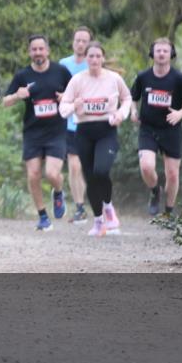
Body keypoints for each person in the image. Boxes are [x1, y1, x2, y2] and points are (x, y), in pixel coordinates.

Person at [59, 41, 131, 236]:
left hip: (106, 130)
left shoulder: (114, 78)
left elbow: (127, 98)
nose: (94, 60)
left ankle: (108, 207)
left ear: (103, 58)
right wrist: (75, 105)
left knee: (101, 170)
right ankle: (98, 221)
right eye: (91, 56)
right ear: (86, 59)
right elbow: (63, 109)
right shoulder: (77, 80)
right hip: (83, 131)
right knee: (90, 178)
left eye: (98, 56)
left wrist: (121, 115)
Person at [2, 35, 72, 231]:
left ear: (47, 51)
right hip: (32, 133)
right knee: (33, 175)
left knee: (51, 173)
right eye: (34, 49)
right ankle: (42, 216)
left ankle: (58, 191)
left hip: (56, 131)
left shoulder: (60, 71)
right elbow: (5, 102)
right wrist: (18, 95)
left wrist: (66, 97)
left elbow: (77, 93)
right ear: (29, 52)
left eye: (41, 49)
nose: (38, 53)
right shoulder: (23, 76)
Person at [130, 37, 182, 217]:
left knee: (173, 174)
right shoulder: (143, 77)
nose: (161, 54)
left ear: (171, 54)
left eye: (165, 51)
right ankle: (155, 191)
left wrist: (179, 114)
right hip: (148, 128)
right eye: (158, 50)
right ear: (152, 53)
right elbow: (132, 97)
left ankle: (168, 212)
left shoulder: (179, 78)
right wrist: (133, 112)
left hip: (171, 130)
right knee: (146, 166)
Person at [58, 26, 93, 223]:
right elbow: (56, 89)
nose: (80, 44)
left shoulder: (94, 65)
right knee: (73, 166)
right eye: (77, 40)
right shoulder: (63, 64)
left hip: (90, 124)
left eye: (84, 41)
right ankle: (79, 206)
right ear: (73, 42)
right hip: (70, 123)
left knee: (87, 168)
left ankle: (97, 204)